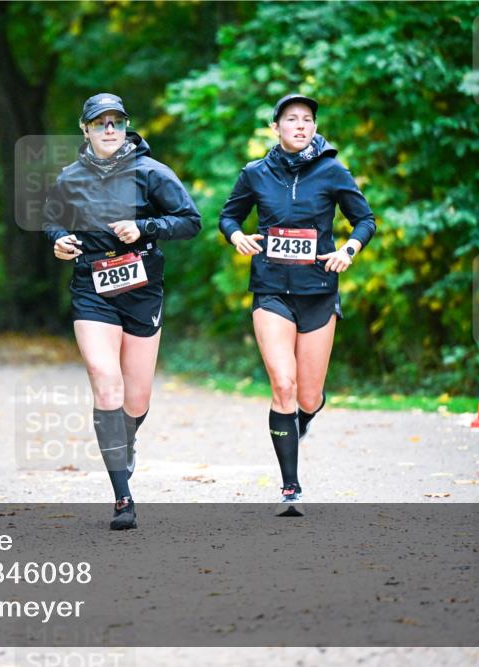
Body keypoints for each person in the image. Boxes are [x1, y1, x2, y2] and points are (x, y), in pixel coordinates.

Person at [43, 93, 202, 530]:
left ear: (126, 126)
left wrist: (145, 226)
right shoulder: (70, 177)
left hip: (142, 289)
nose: (109, 129)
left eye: (116, 121)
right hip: (92, 288)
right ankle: (122, 497)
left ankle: (125, 441)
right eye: (100, 123)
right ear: (85, 129)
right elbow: (52, 219)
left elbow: (190, 221)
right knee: (105, 383)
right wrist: (59, 239)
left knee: (135, 400)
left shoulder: (152, 173)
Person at [218, 94, 377, 516]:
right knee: (283, 385)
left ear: (315, 127)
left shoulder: (332, 170)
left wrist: (348, 249)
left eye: (308, 119)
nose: (301, 125)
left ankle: (301, 421)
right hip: (270, 290)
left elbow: (365, 220)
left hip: (318, 291)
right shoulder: (255, 173)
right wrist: (237, 236)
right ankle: (291, 488)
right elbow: (228, 217)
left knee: (308, 396)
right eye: (292, 119)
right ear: (276, 127)